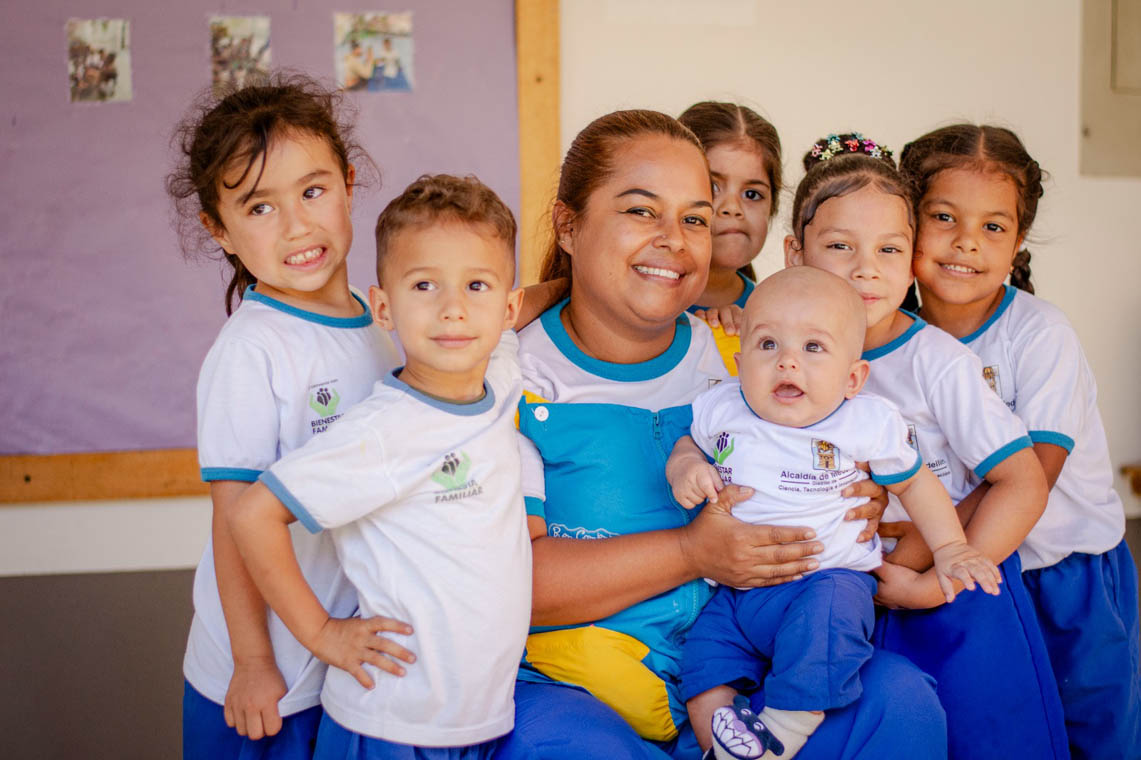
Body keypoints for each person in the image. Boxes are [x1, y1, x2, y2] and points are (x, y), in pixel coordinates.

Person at [498, 110, 947, 760]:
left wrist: (859, 497)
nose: (674, 240)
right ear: (568, 224)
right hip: (575, 687)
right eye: (640, 211)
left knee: (896, 701)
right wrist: (691, 553)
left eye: (695, 218)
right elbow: (499, 585)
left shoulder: (750, 352)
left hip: (755, 658)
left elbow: (854, 462)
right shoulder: (507, 375)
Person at [226, 174, 534, 758]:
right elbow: (251, 517)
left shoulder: (502, 377)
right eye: (425, 285)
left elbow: (543, 300)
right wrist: (321, 636)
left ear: (507, 306)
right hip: (390, 725)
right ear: (384, 308)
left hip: (480, 719)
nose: (453, 309)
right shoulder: (382, 432)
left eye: (477, 285)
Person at [785, 133, 1069, 759]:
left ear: (911, 253)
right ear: (793, 253)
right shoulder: (777, 349)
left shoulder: (935, 363)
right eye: (839, 248)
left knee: (984, 742)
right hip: (839, 600)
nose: (866, 269)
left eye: (890, 249)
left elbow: (1024, 481)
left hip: (956, 608)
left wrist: (942, 579)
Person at [669, 267, 999, 760]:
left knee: (828, 631)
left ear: (853, 378)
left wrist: (951, 547)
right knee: (703, 661)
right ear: (739, 364)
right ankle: (718, 743)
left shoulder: (865, 421)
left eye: (813, 348)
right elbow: (687, 443)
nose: (787, 363)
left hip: (823, 579)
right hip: (737, 592)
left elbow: (913, 482)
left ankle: (781, 731)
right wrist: (687, 467)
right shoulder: (723, 406)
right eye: (768, 346)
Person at [166, 74, 401, 759]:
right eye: (259, 207)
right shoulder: (253, 349)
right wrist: (252, 661)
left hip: (339, 658)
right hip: (264, 676)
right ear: (220, 229)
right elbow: (234, 515)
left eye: (313, 190)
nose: (297, 225)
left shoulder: (380, 319)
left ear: (349, 183)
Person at [900, 123, 1140, 759]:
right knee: (1006, 730)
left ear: (1018, 243)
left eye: (993, 228)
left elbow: (1031, 473)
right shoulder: (894, 338)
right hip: (978, 573)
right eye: (943, 217)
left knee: (1093, 728)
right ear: (910, 223)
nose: (965, 243)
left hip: (1067, 574)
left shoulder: (1038, 334)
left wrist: (928, 555)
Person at [677, 102, 781, 314]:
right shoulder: (640, 306)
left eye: (751, 194)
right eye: (712, 187)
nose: (732, 208)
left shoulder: (775, 316)